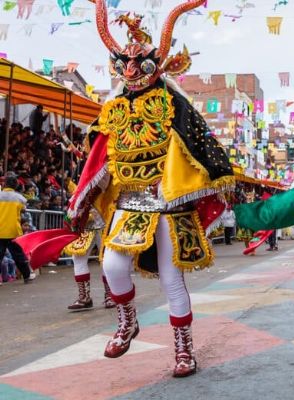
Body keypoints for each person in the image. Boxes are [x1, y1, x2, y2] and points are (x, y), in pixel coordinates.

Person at [19, 2, 234, 378]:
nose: (132, 71)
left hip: (168, 201)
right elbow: (98, 159)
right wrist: (81, 200)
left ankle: (184, 349)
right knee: (114, 266)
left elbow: (202, 149)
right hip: (129, 202)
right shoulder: (113, 108)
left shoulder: (173, 105)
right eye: (124, 65)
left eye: (141, 65)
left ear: (158, 67)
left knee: (171, 278)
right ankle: (127, 320)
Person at [0, 175, 35, 284]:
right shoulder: (19, 198)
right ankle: (27, 277)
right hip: (13, 231)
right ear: (15, 185)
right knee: (19, 255)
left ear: (4, 184)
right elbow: (23, 209)